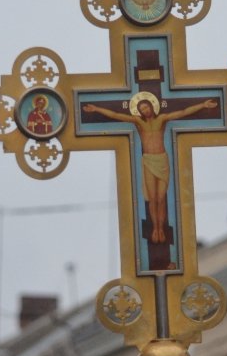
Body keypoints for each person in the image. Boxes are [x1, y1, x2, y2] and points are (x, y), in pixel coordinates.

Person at [83, 95, 217, 244]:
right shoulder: (138, 122)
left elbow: (183, 112)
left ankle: (162, 227)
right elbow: (116, 115)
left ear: (152, 106)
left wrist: (203, 105)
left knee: (161, 198)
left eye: (146, 107)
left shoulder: (162, 119)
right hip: (148, 161)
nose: (145, 110)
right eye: (142, 109)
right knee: (153, 199)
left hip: (162, 161)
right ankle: (156, 228)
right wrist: (96, 109)